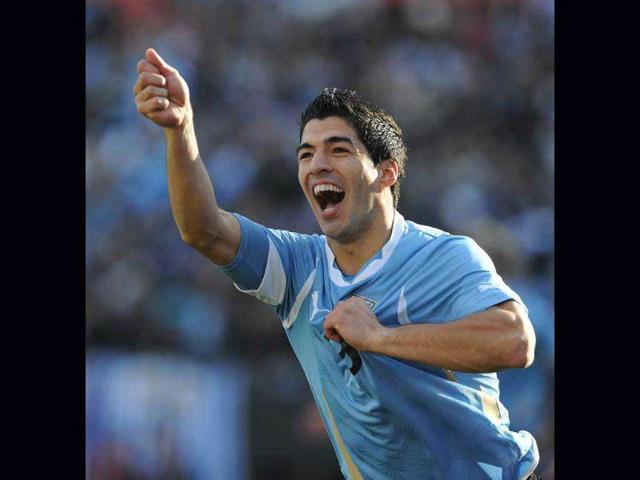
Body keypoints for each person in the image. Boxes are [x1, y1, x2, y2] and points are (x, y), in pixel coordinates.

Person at [133, 48, 541, 480]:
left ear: (386, 172)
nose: (317, 164)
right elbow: (204, 230)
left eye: (338, 149)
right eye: (306, 154)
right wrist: (181, 130)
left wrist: (380, 337)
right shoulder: (297, 269)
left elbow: (515, 343)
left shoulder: (443, 256)